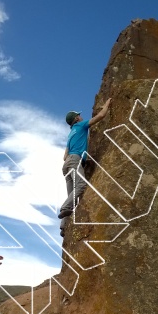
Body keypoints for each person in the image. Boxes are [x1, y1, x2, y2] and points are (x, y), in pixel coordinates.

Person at [58, 98, 112, 236]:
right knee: (81, 186)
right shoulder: (81, 126)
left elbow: (64, 156)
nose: (81, 116)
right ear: (76, 119)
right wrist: (107, 104)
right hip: (74, 160)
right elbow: (100, 116)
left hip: (66, 165)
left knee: (71, 195)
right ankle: (64, 208)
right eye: (79, 115)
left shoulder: (71, 134)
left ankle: (64, 225)